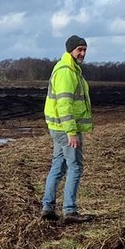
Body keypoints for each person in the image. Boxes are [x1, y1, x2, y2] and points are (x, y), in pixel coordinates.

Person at [41, 34, 93, 222]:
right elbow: (64, 105)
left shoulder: (71, 69)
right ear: (70, 50)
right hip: (65, 129)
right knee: (75, 167)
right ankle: (69, 211)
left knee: (58, 165)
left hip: (59, 127)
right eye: (79, 49)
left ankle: (48, 208)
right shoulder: (66, 72)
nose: (83, 53)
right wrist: (71, 132)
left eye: (85, 49)